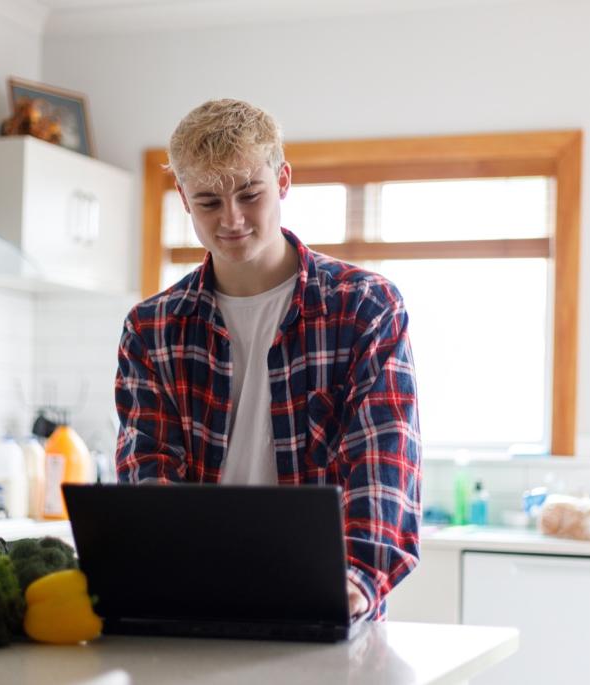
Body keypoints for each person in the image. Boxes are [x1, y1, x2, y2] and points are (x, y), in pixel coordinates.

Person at [115, 99, 421, 620]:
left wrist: (356, 582)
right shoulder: (152, 328)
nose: (231, 220)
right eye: (208, 202)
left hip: (328, 595)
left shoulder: (364, 305)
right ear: (183, 199)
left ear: (282, 181)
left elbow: (383, 457)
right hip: (196, 599)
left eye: (250, 195)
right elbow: (150, 471)